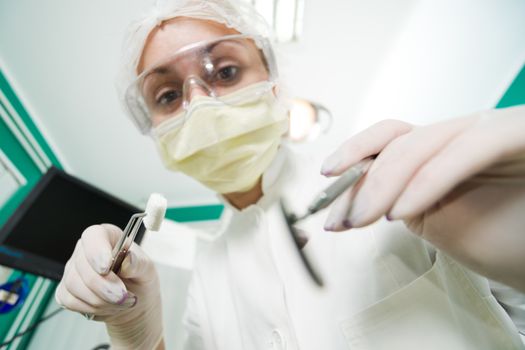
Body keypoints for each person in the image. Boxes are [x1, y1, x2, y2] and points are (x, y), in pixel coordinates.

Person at [55, 0, 525, 349]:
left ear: (274, 85)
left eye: (223, 71)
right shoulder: (208, 280)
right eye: (167, 95)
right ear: (151, 129)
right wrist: (137, 332)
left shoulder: (387, 179)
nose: (199, 104)